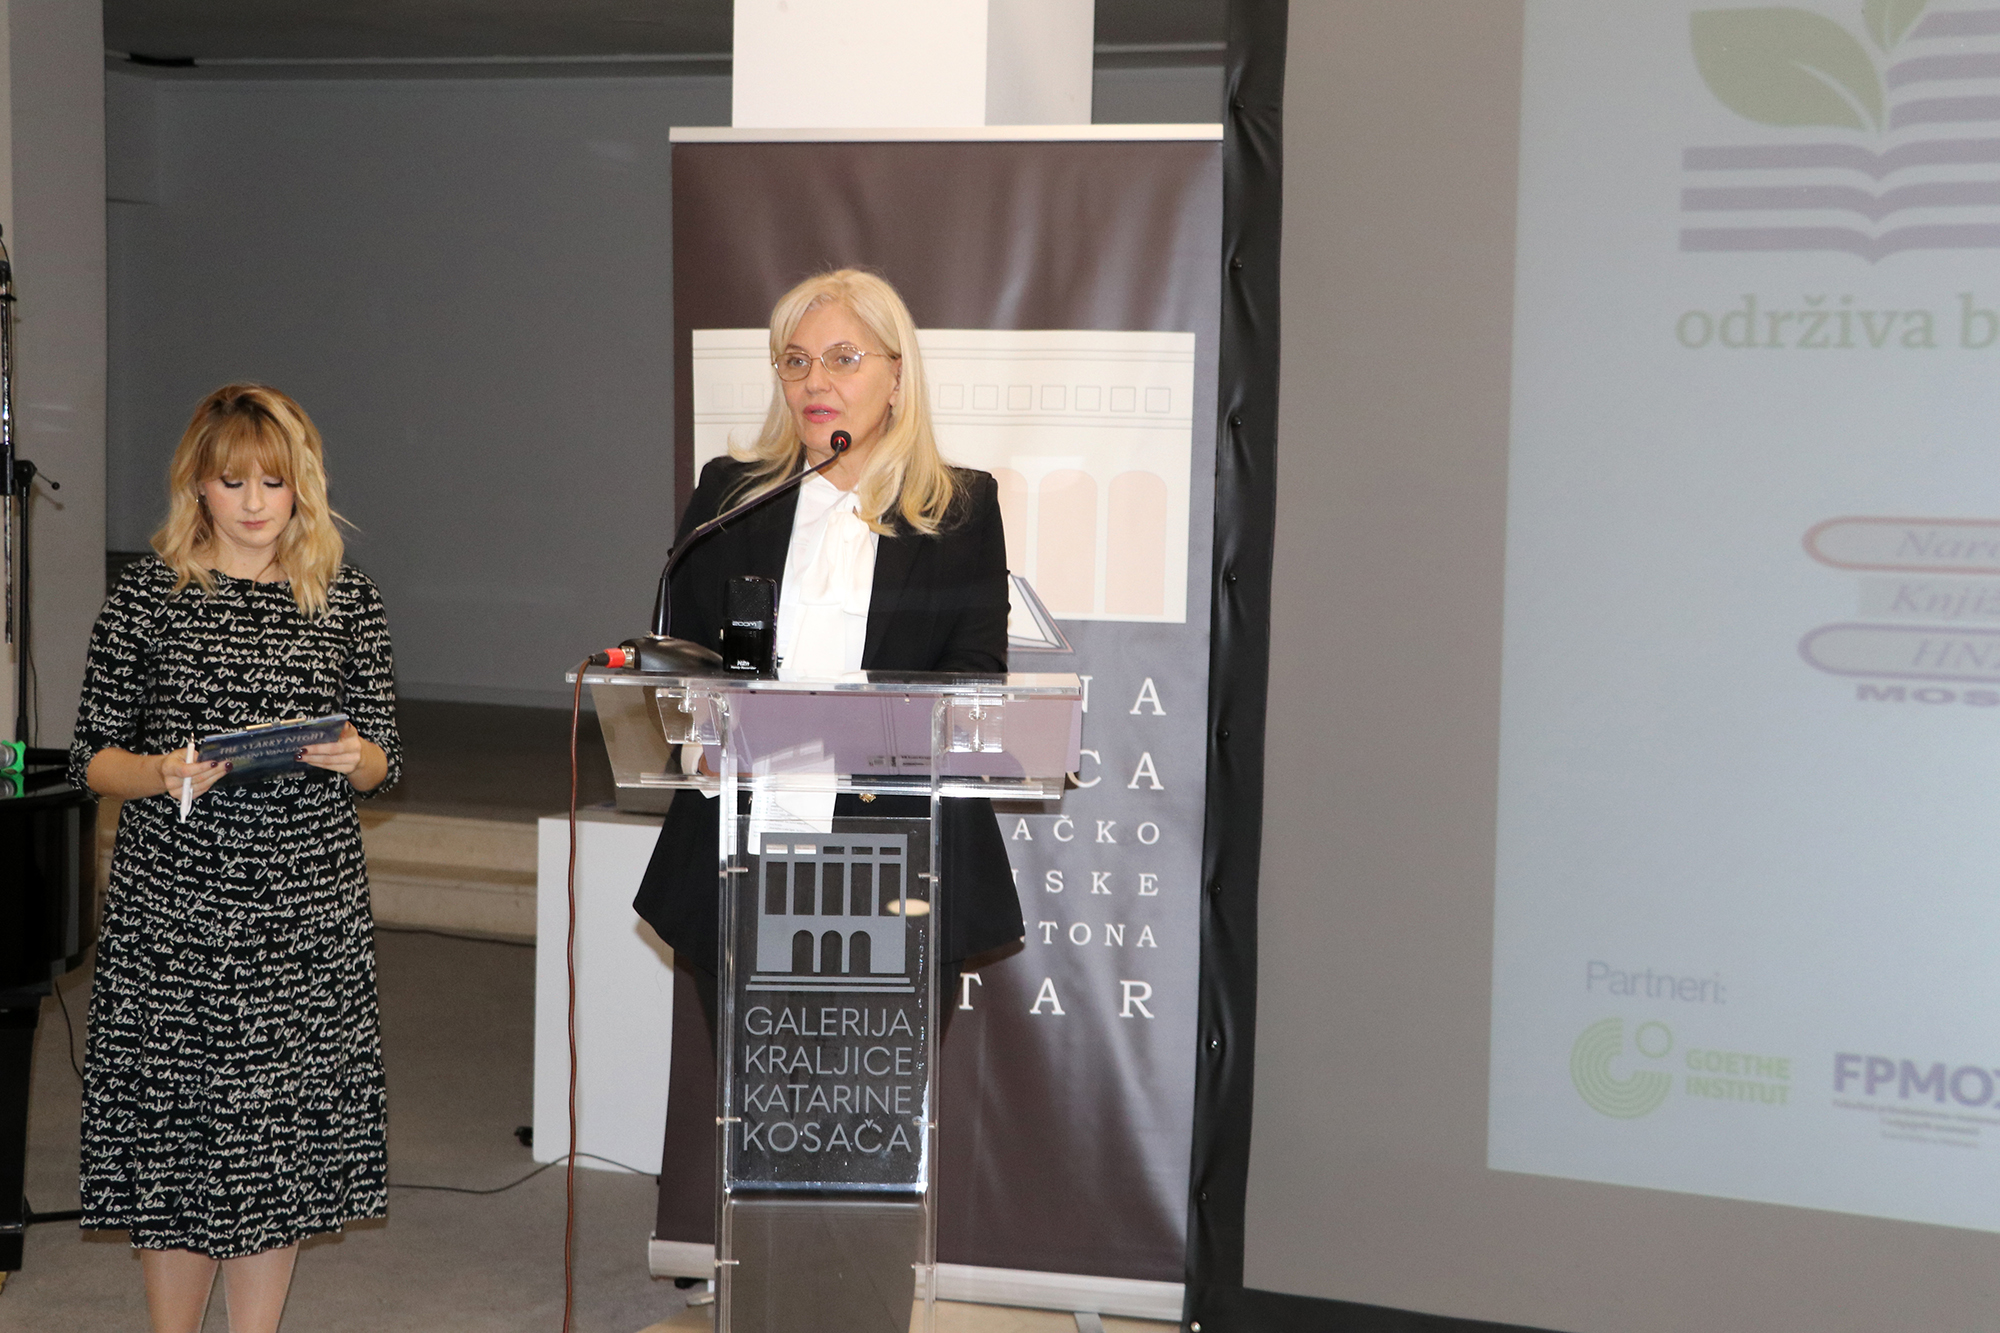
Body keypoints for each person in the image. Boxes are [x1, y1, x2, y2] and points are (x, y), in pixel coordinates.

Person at [67, 384, 400, 1333]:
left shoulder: (346, 598)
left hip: (304, 908)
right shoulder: (148, 596)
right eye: (233, 481)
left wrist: (354, 754)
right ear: (197, 486)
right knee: (178, 1141)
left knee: (274, 1144)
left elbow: (386, 761)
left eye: (274, 482)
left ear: (303, 487)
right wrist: (161, 769)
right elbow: (92, 756)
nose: (255, 502)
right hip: (176, 906)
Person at [633, 267, 1020, 1028]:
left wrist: (845, 734)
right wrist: (701, 742)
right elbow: (683, 654)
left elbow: (976, 675)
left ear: (897, 376)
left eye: (844, 358)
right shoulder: (732, 495)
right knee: (760, 1095)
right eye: (796, 360)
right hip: (742, 850)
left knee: (877, 1096)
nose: (816, 380)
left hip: (899, 860)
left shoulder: (959, 507)